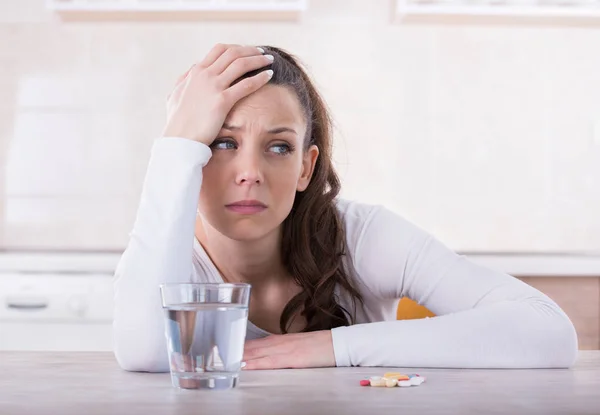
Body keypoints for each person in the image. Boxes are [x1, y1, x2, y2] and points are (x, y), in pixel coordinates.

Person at [112, 44, 578, 372]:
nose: (249, 171)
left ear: (305, 167)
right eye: (222, 143)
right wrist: (175, 145)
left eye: (278, 147)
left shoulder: (362, 236)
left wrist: (332, 347)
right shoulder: (169, 255)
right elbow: (144, 352)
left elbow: (546, 330)